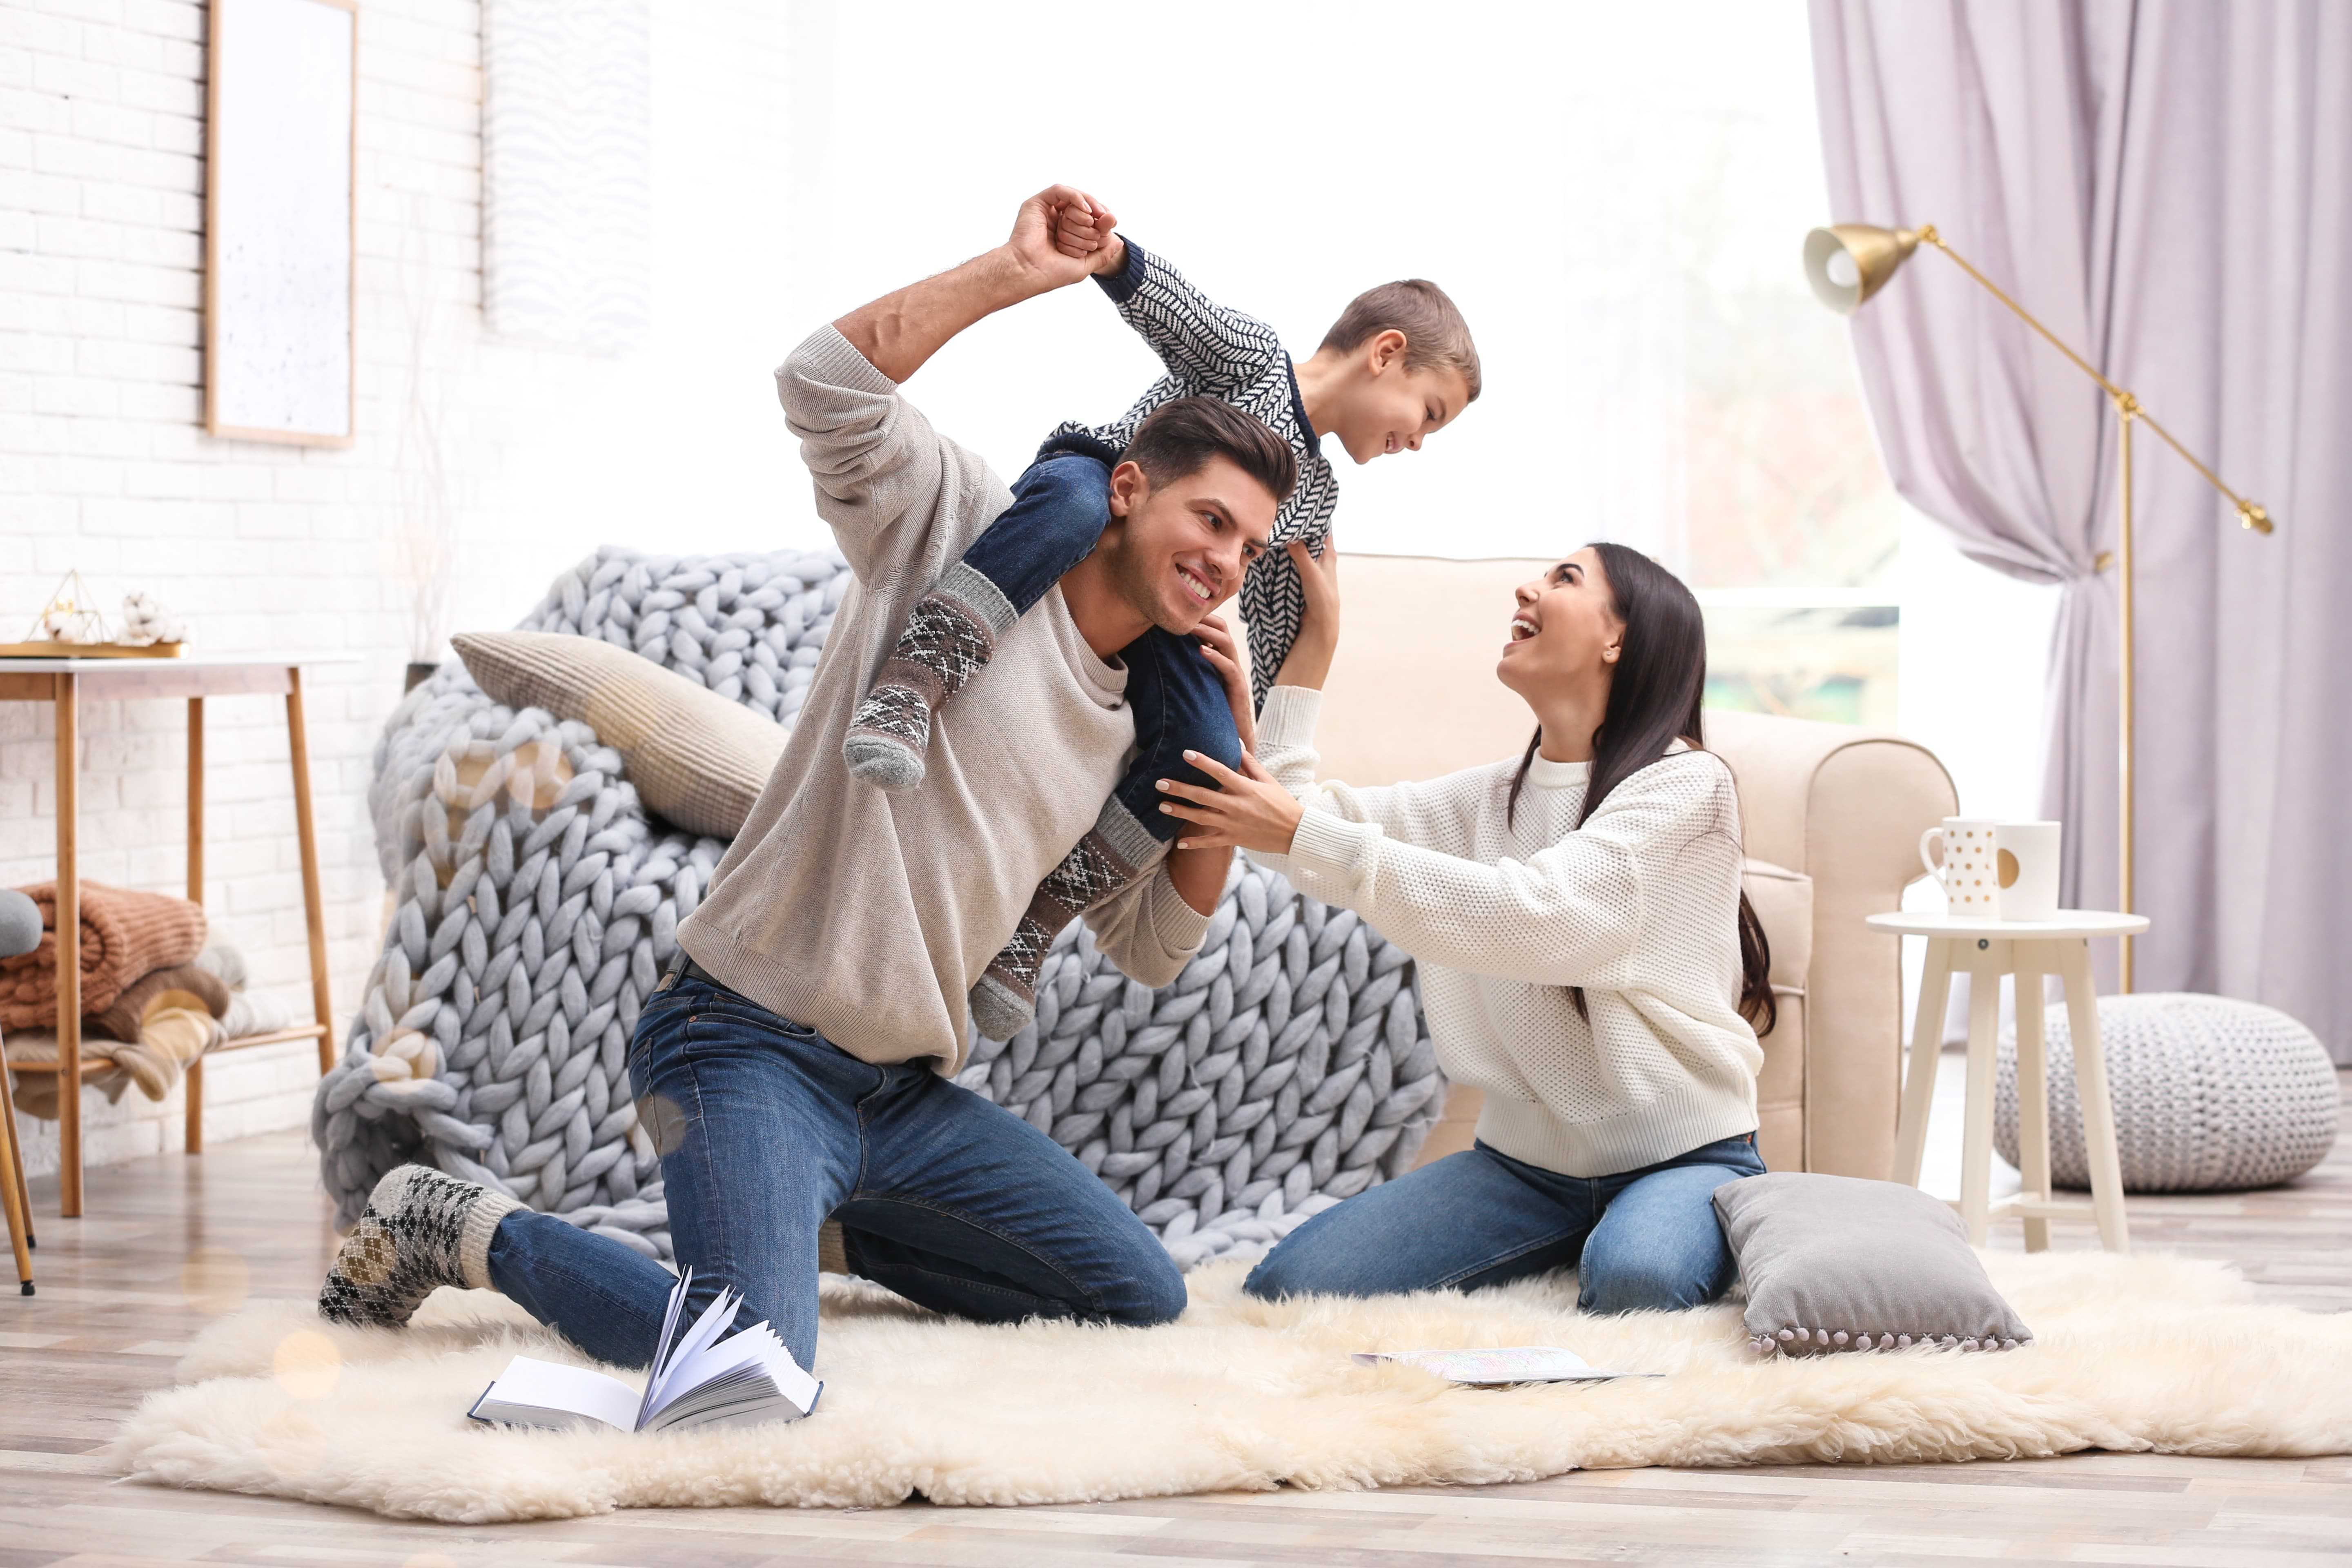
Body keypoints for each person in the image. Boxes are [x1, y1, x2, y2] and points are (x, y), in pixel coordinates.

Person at [316, 186, 1294, 1379]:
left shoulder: (1153, 713)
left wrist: (1229, 752)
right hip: (742, 1042)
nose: (1225, 565)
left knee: (1136, 1293)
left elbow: (1154, 949)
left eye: (1249, 548)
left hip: (902, 1098)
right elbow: (821, 383)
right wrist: (1010, 273)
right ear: (1130, 490)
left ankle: (813, 1222)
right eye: (1211, 519)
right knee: (746, 1368)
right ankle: (461, 1223)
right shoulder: (962, 526)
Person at [841, 191, 1483, 1041]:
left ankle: (1035, 925)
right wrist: (1107, 256)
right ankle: (911, 685)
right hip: (1099, 491)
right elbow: (1184, 316)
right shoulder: (1253, 361)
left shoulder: (1314, 500)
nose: (1419, 443)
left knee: (1211, 756)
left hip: (1163, 612)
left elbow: (1277, 628)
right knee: (1073, 508)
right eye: (1428, 414)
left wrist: (1314, 649)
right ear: (1387, 354)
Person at [1156, 540, 1777, 1313]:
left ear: (1619, 638)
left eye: (1565, 578)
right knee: (1292, 1287)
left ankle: (1678, 1220)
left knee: (1637, 1282)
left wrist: (1302, 835)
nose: (1528, 587)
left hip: (1680, 1156)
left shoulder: (1689, 785)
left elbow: (1543, 917)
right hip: (1521, 1171)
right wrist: (1312, 652)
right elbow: (1291, 833)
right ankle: (1577, 1240)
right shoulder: (1487, 800)